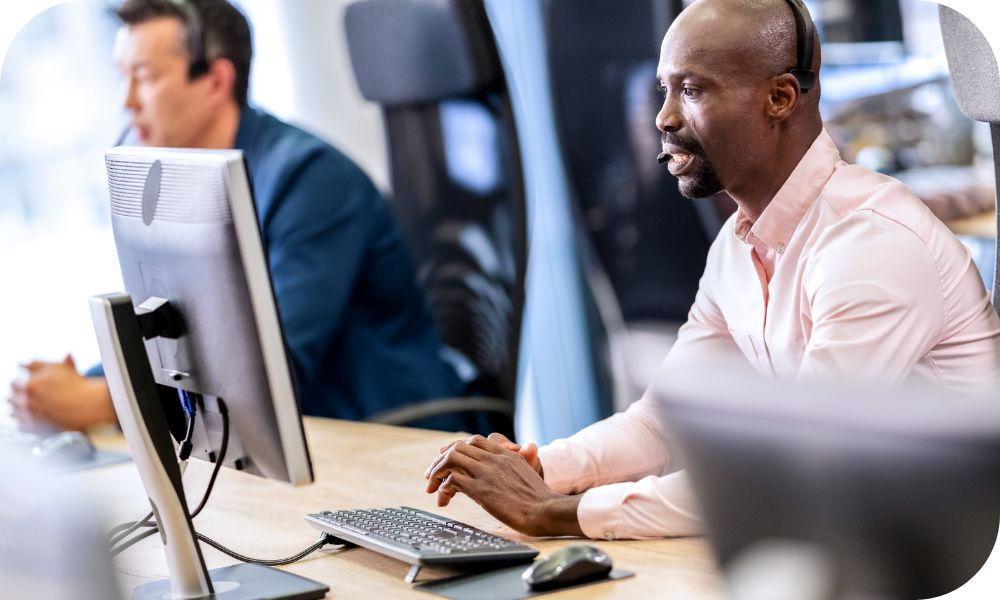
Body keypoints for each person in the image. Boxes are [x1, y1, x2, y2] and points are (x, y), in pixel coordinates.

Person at [424, 0, 1000, 540]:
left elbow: (795, 468)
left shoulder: (870, 242)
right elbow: (662, 423)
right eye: (665, 90)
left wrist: (556, 512)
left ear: (779, 98)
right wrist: (537, 467)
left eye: (692, 89)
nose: (663, 117)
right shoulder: (738, 244)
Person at [9, 0, 469, 432]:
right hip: (297, 447)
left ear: (215, 81)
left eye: (144, 77)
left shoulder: (309, 179)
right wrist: (91, 379)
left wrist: (101, 401)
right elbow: (175, 334)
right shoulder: (187, 190)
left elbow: (270, 372)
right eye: (122, 76)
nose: (127, 101)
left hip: (385, 437)